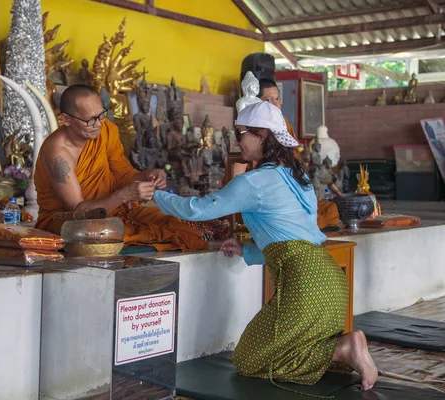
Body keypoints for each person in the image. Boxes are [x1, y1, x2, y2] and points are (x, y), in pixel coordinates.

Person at [153, 102, 378, 392]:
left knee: (248, 360)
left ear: (261, 135)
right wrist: (246, 250)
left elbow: (198, 209)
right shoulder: (301, 178)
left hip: (304, 284)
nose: (237, 141)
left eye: (241, 133)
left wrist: (156, 196)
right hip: (330, 280)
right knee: (288, 351)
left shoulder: (254, 181)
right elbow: (293, 239)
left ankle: (342, 350)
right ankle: (344, 348)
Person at [34, 84, 208, 252]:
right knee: (94, 233)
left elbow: (123, 173)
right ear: (66, 119)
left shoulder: (106, 131)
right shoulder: (57, 154)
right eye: (90, 120)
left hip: (114, 212)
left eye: (101, 115)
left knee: (176, 222)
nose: (99, 123)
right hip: (70, 221)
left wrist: (147, 176)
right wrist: (125, 195)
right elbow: (78, 211)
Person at [258, 78, 338, 229]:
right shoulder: (255, 130)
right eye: (269, 100)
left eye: (277, 99)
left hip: (292, 186)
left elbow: (293, 158)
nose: (275, 104)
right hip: (270, 192)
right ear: (256, 103)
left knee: (330, 210)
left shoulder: (284, 124)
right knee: (310, 217)